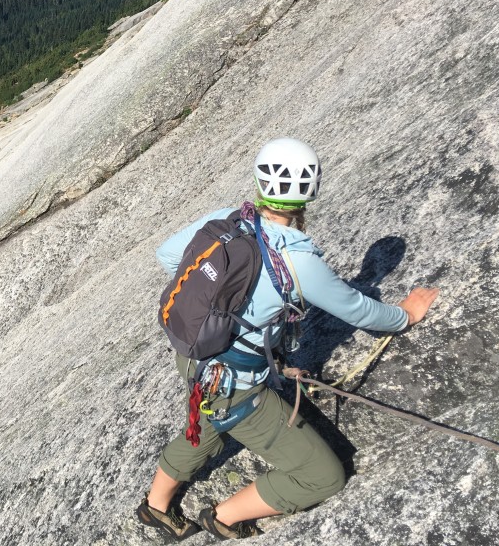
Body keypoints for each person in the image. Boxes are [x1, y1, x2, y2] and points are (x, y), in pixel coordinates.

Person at [136, 137, 440, 541]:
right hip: (236, 383)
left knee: (207, 423)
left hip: (194, 353)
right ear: (310, 191)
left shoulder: (229, 220)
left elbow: (170, 255)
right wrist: (405, 316)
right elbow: (358, 310)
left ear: (260, 178)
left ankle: (156, 506)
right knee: (322, 476)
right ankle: (223, 516)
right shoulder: (297, 262)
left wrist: (219, 304)